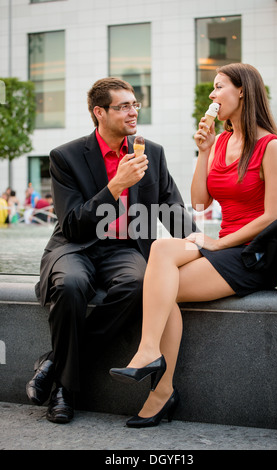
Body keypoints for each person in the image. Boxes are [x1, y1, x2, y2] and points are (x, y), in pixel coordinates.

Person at [109, 63, 277, 428]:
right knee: (162, 251)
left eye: (219, 86)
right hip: (223, 245)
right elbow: (201, 203)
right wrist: (204, 151)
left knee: (164, 286)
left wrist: (218, 243)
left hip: (253, 252)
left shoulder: (271, 146)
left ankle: (159, 387)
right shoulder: (220, 141)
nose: (211, 94)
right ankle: (149, 355)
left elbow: (273, 216)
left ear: (242, 91)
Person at [26, 77, 195, 424]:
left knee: (137, 284)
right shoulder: (66, 157)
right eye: (124, 106)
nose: (133, 112)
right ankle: (65, 392)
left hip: (125, 247)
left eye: (135, 104)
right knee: (71, 285)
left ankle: (55, 366)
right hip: (75, 245)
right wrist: (116, 186)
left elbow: (171, 209)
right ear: (99, 113)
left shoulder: (152, 152)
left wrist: (201, 242)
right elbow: (72, 223)